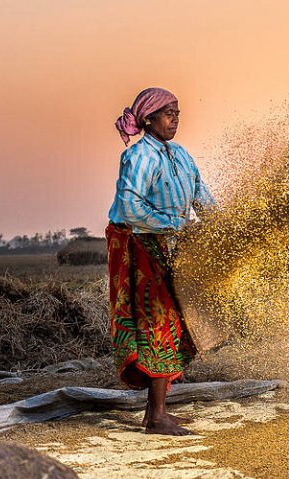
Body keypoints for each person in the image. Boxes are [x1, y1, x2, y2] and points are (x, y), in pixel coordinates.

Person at [107, 87, 215, 435]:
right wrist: (175, 225)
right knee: (159, 323)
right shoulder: (139, 157)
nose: (175, 119)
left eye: (178, 113)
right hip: (140, 244)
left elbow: (201, 195)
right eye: (168, 113)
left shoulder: (181, 155)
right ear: (148, 119)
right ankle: (156, 417)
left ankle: (157, 411)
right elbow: (129, 208)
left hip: (170, 242)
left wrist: (224, 226)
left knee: (178, 322)